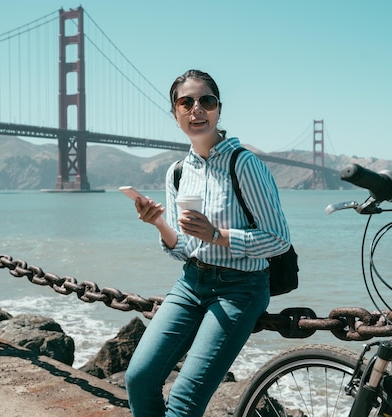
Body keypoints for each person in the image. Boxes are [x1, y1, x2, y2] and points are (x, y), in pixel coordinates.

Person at [124, 69, 291, 417]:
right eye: (186, 102)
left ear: (218, 109)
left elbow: (278, 240)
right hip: (191, 283)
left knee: (184, 404)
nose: (196, 109)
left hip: (240, 289)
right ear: (175, 114)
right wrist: (159, 223)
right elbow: (184, 248)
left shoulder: (244, 164)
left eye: (206, 101)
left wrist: (218, 235)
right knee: (138, 378)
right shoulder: (178, 172)